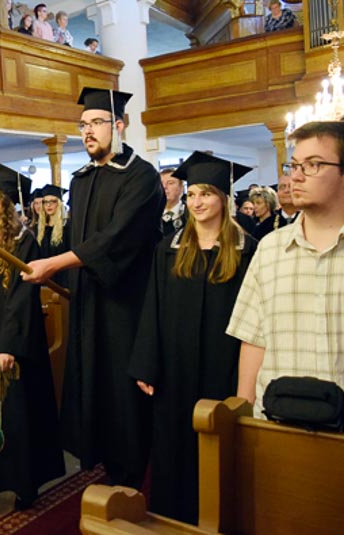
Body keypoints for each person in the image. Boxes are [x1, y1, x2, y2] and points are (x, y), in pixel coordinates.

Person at [23, 87, 164, 487]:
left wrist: (55, 263)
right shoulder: (81, 179)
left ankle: (130, 479)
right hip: (88, 302)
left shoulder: (141, 176)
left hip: (126, 304)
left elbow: (116, 238)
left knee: (122, 394)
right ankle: (102, 465)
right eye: (82, 125)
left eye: (96, 123)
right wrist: (57, 273)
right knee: (92, 384)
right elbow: (76, 241)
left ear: (118, 126)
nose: (87, 132)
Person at [128, 151, 258, 524]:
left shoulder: (247, 251)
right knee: (173, 441)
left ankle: (221, 518)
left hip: (224, 364)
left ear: (223, 198)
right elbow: (152, 307)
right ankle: (172, 517)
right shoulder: (168, 250)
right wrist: (146, 363)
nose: (196, 203)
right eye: (191, 195)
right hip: (175, 368)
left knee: (218, 439)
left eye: (206, 194)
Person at [0, 159, 64, 521]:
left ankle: (24, 484)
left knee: (16, 416)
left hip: (14, 342)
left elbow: (21, 300)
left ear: (6, 202)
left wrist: (7, 345)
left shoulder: (25, 243)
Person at [228, 121, 344, 416]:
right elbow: (253, 340)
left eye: (313, 164)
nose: (296, 177)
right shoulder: (270, 249)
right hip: (279, 422)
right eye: (294, 166)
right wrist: (245, 416)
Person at [160, 167, 186, 235]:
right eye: (161, 183)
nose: (164, 187)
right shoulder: (151, 214)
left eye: (170, 183)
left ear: (181, 188)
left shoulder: (190, 213)